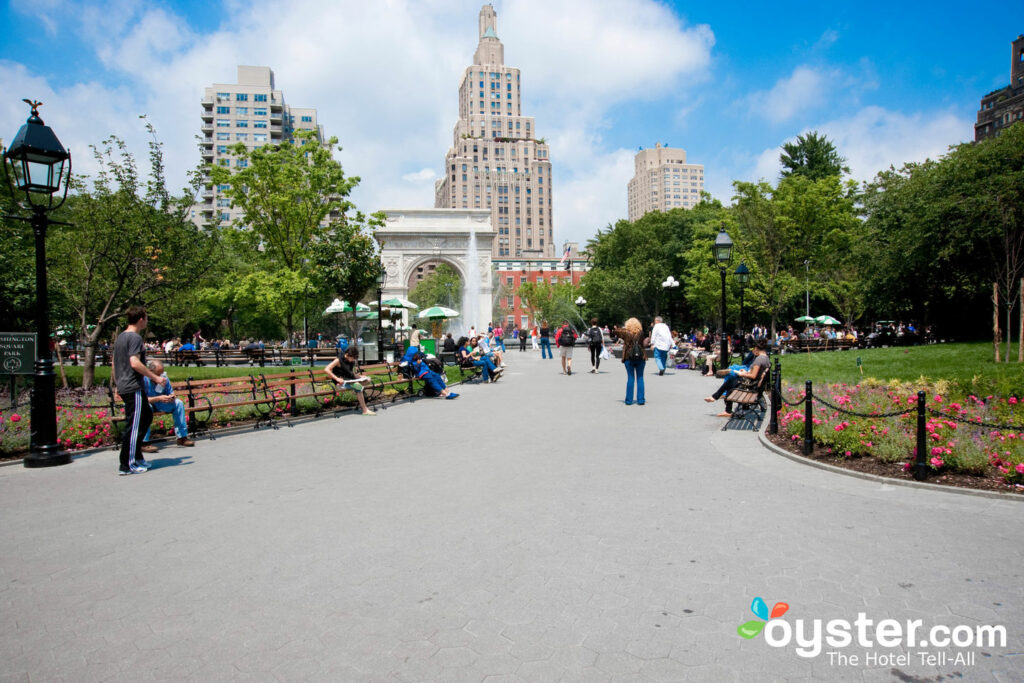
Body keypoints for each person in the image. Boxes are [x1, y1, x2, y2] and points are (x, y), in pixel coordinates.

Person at [113, 306, 167, 475]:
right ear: (141, 319)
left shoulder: (121, 337)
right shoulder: (135, 338)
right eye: (147, 318)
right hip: (132, 386)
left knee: (145, 416)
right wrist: (155, 377)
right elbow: (134, 363)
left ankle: (137, 456)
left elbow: (115, 363)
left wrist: (116, 384)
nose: (147, 321)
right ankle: (127, 464)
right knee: (134, 425)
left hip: (125, 384)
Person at [704, 341, 769, 416]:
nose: (753, 351)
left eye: (754, 349)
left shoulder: (759, 359)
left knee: (730, 381)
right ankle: (717, 400)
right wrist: (745, 372)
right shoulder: (765, 358)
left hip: (751, 386)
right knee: (731, 380)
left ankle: (718, 400)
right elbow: (755, 374)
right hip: (754, 384)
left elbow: (753, 376)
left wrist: (742, 374)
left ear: (757, 348)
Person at [142, 360, 195, 448]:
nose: (161, 376)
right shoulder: (144, 380)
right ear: (150, 372)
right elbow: (142, 400)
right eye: (158, 374)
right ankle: (144, 442)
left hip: (162, 404)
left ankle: (182, 437)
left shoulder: (164, 377)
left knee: (178, 403)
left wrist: (171, 397)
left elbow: (170, 392)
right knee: (146, 407)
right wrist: (159, 398)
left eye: (162, 373)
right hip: (149, 404)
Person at [325, 345, 376, 415]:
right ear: (348, 355)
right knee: (358, 387)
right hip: (340, 382)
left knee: (368, 380)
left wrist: (360, 377)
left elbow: (351, 374)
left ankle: (358, 391)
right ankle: (365, 410)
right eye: (353, 358)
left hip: (349, 380)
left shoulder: (350, 361)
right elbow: (327, 369)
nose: (353, 360)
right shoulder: (338, 360)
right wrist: (337, 378)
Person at [615, 318, 647, 405]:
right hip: (640, 357)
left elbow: (616, 331)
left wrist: (622, 328)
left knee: (630, 378)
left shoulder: (625, 333)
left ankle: (629, 400)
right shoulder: (641, 333)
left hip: (629, 357)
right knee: (640, 378)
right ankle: (641, 400)